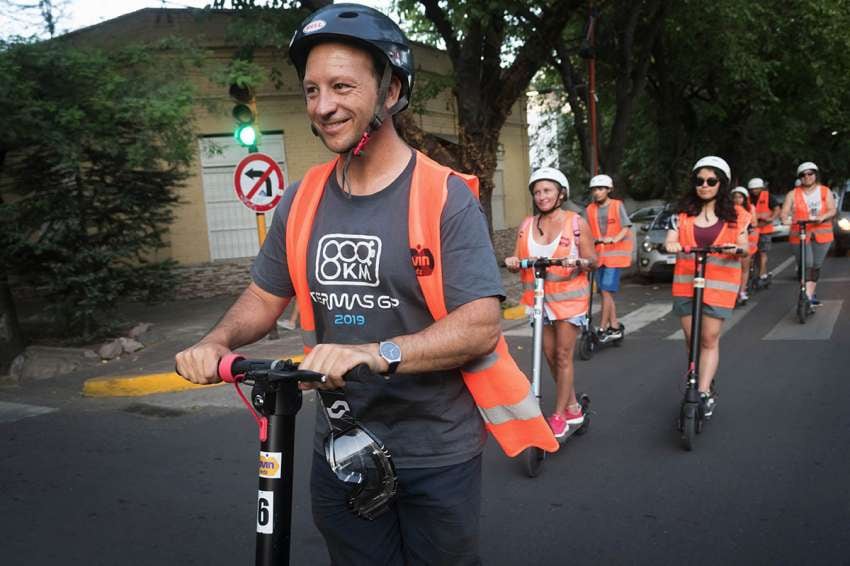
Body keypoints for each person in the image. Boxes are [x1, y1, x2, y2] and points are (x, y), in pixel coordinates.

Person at [175, 5, 556, 564]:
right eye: (311, 90)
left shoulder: (444, 197)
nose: (322, 106)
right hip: (342, 447)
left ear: (391, 89)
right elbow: (262, 295)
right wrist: (217, 342)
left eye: (341, 86)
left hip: (435, 452)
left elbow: (479, 326)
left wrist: (375, 354)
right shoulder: (301, 200)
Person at [505, 168, 597, 437]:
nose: (541, 196)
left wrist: (579, 261)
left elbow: (593, 261)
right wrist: (512, 262)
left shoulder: (576, 223)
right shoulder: (526, 225)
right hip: (539, 300)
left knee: (562, 355)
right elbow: (517, 260)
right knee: (547, 355)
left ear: (560, 193)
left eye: (547, 190)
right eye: (537, 191)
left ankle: (558, 415)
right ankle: (571, 405)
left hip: (570, 301)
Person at [665, 156, 748, 417]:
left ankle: (702, 391)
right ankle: (700, 375)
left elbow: (744, 245)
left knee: (709, 339)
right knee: (692, 340)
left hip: (719, 287)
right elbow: (670, 239)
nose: (704, 185)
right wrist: (672, 245)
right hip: (686, 284)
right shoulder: (682, 213)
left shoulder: (737, 216)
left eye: (711, 181)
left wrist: (738, 248)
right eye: (700, 181)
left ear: (721, 184)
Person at [582, 174, 633, 341]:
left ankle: (603, 328)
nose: (597, 192)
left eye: (601, 189)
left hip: (614, 257)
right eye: (595, 189)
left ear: (609, 190)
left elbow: (626, 227)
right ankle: (615, 326)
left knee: (605, 292)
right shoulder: (589, 209)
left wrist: (614, 239)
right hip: (598, 257)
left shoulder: (617, 205)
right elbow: (585, 231)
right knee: (606, 293)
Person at [780, 161, 836, 308]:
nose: (807, 177)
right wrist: (785, 219)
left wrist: (823, 217)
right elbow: (784, 212)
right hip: (800, 234)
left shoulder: (825, 191)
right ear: (800, 178)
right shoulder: (792, 194)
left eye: (810, 173)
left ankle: (809, 295)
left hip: (822, 234)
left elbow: (832, 209)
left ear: (815, 175)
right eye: (803, 175)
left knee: (816, 265)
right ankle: (805, 294)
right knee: (807, 263)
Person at [747, 177, 780, 284]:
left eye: (756, 189)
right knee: (753, 254)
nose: (754, 191)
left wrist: (771, 218)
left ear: (761, 188)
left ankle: (761, 275)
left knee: (762, 253)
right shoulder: (747, 198)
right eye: (752, 189)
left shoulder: (768, 197)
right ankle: (759, 273)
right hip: (752, 230)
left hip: (764, 229)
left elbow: (777, 209)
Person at [731, 186, 757, 304]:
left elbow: (754, 224)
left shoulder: (750, 208)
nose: (737, 200)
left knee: (744, 268)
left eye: (740, 197)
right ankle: (733, 291)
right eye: (735, 197)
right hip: (733, 242)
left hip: (747, 241)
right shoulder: (728, 210)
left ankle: (742, 290)